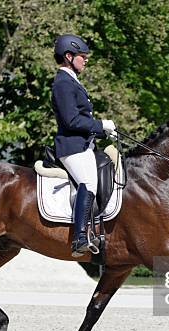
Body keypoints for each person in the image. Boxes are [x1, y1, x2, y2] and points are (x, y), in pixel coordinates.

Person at [51, 34, 117, 257]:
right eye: (82, 56)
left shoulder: (72, 81)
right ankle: (80, 237)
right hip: (71, 147)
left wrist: (103, 130)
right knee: (88, 182)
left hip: (83, 144)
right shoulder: (63, 82)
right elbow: (71, 120)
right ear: (69, 57)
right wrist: (101, 125)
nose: (85, 60)